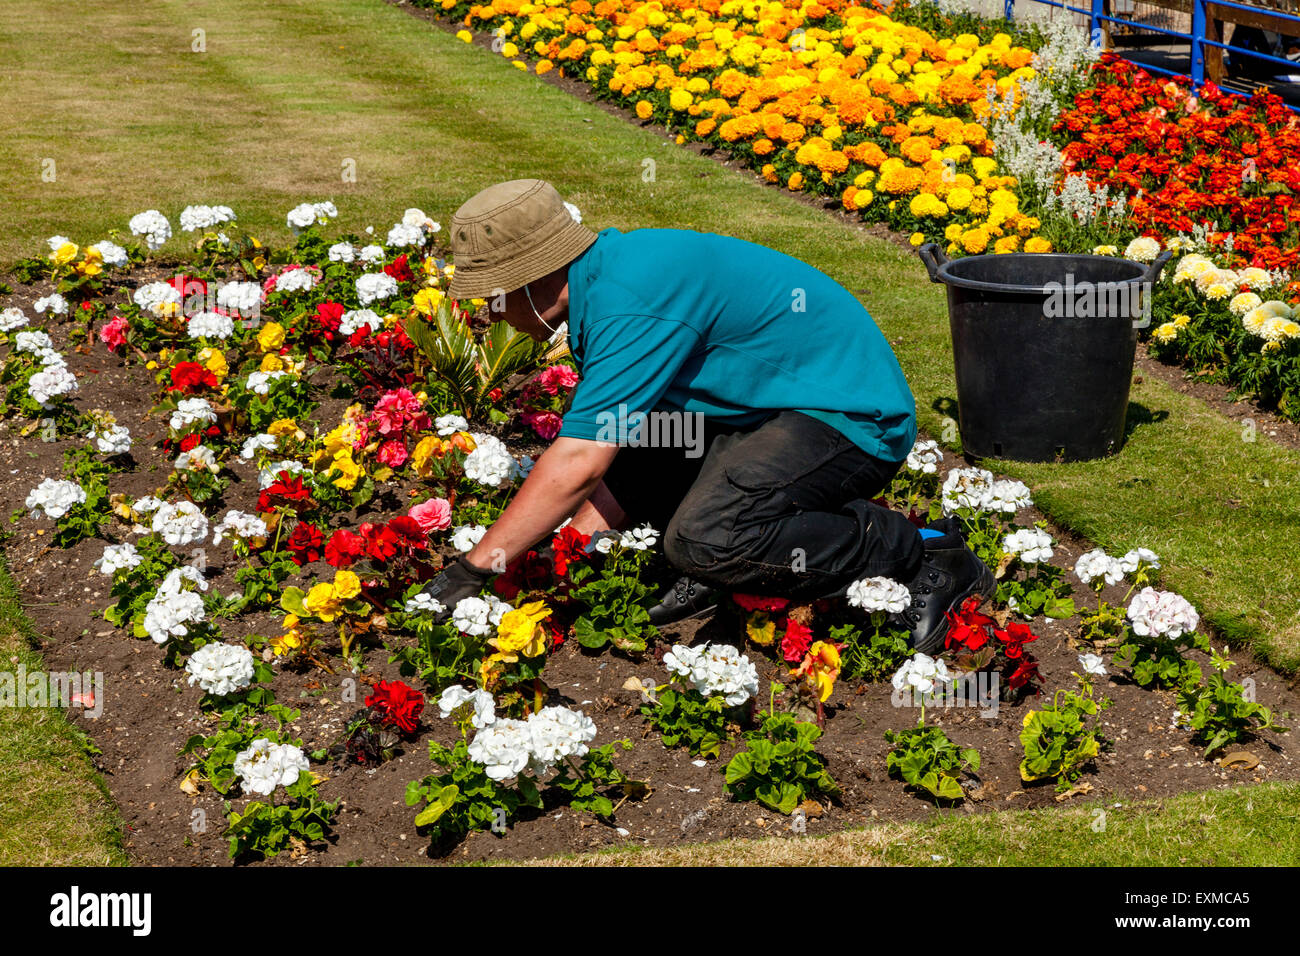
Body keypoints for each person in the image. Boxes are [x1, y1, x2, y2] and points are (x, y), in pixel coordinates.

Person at [420, 179, 992, 652]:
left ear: (534, 278)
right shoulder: (607, 276)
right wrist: (567, 554)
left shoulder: (633, 303)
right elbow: (629, 450)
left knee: (707, 538)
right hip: (764, 411)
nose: (490, 309)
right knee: (661, 443)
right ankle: (726, 566)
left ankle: (918, 550)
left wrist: (477, 568)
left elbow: (579, 463)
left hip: (850, 418)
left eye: (493, 293)